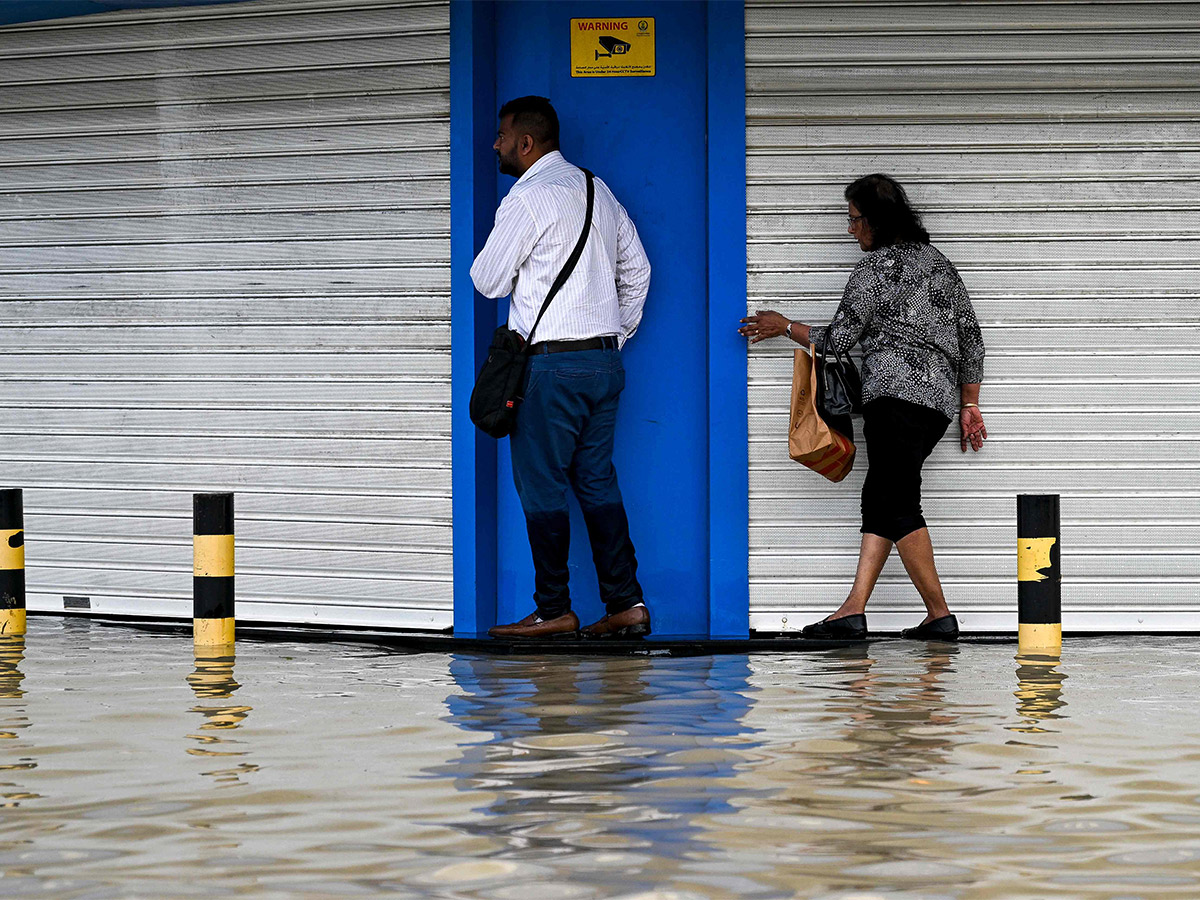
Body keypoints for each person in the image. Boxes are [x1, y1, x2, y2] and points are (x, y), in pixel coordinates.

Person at [739, 174, 986, 641]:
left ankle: (939, 614)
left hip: (893, 400)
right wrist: (969, 403)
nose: (850, 230)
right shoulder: (940, 266)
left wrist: (783, 325)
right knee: (882, 499)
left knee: (896, 503)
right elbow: (972, 341)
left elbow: (839, 340)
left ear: (876, 220)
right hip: (934, 406)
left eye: (854, 220)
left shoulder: (874, 271)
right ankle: (853, 610)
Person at [471, 96, 652, 640]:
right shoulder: (599, 191)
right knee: (596, 481)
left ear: (526, 143)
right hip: (603, 363)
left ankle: (554, 610)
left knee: (542, 487)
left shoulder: (526, 199)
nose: (496, 144)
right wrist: (613, 338)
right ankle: (626, 604)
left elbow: (488, 281)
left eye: (502, 135)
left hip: (550, 369)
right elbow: (638, 271)